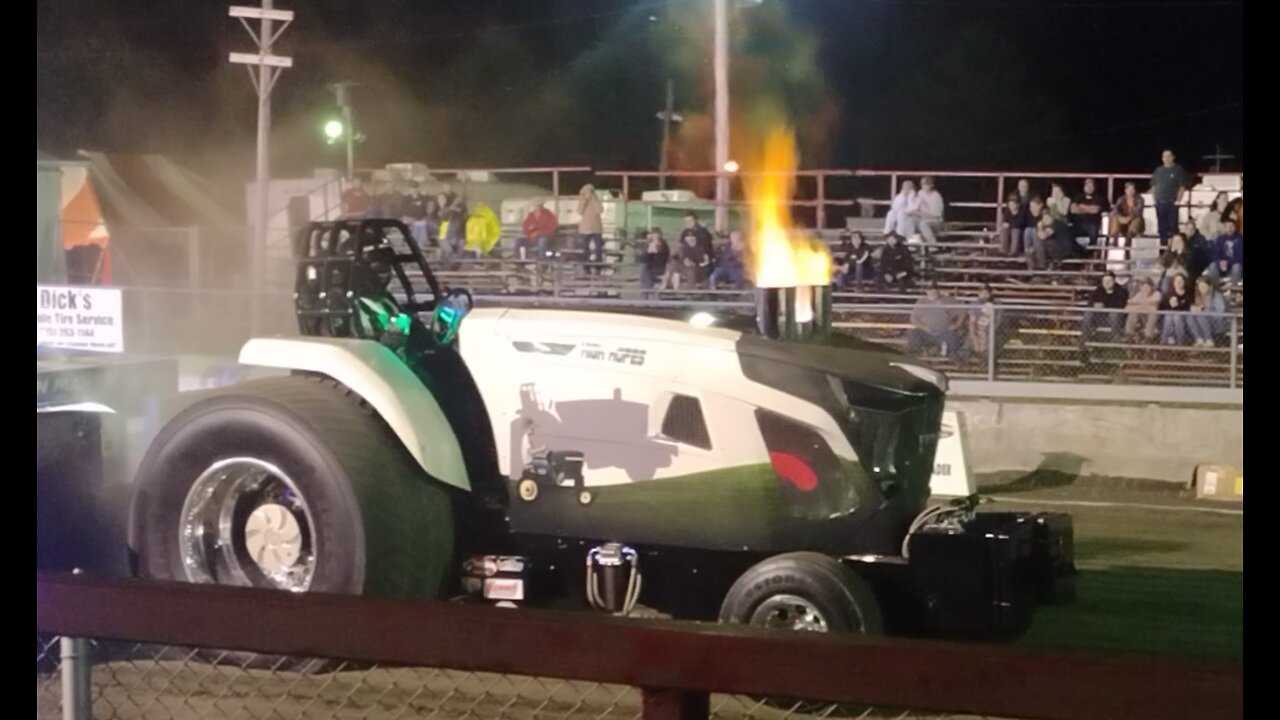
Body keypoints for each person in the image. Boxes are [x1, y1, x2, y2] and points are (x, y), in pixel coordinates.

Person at [907, 283, 967, 359]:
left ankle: (952, 357)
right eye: (930, 290)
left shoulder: (948, 300)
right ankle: (914, 356)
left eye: (934, 290)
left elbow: (962, 312)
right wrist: (924, 327)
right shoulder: (921, 302)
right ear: (927, 292)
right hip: (926, 332)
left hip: (944, 332)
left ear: (938, 291)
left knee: (953, 338)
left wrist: (957, 325)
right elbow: (913, 319)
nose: (932, 292)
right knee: (913, 334)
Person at [1150, 149, 1189, 241]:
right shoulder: (1158, 170)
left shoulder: (1178, 170)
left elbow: (1182, 187)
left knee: (1173, 228)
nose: (1166, 158)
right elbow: (1153, 186)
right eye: (1164, 156)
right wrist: (1155, 200)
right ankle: (1162, 250)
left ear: (1173, 157)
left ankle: (1173, 249)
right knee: (1161, 228)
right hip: (1160, 203)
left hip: (1172, 202)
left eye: (1168, 156)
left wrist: (1178, 201)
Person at [1081, 271, 1128, 345]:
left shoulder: (1121, 291)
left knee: (1114, 314)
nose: (1107, 283)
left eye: (1109, 281)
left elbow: (1121, 305)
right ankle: (1084, 339)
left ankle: (1114, 338)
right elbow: (1090, 302)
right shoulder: (1098, 291)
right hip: (1100, 317)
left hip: (1115, 318)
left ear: (1114, 281)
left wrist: (1104, 305)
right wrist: (1094, 305)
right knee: (1088, 314)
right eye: (1105, 281)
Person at [1187, 275, 1228, 347]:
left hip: (1219, 322)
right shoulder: (1197, 296)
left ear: (1209, 287)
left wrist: (1204, 310)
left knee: (1201, 315)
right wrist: (1194, 308)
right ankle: (1199, 339)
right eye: (1200, 287)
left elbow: (1221, 313)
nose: (1201, 289)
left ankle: (1209, 340)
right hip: (1203, 322)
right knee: (1190, 316)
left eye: (1204, 287)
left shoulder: (1216, 296)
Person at [576, 184, 605, 273]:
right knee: (585, 248)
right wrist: (584, 200)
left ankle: (598, 265)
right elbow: (579, 211)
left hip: (596, 228)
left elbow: (600, 210)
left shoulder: (596, 200)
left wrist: (593, 199)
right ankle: (586, 265)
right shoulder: (582, 200)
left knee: (598, 248)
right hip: (585, 229)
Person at [1123, 276, 1161, 343]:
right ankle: (1129, 336)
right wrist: (1147, 305)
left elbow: (1154, 308)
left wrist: (1137, 305)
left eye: (1148, 287)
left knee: (1152, 315)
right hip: (1141, 318)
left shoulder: (1156, 294)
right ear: (1140, 288)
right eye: (1143, 287)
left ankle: (1148, 338)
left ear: (1152, 288)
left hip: (1155, 319)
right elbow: (1127, 308)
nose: (1145, 289)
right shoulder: (1139, 295)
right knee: (1133, 313)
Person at [636, 228, 670, 299]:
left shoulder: (663, 244)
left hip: (659, 265)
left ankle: (646, 292)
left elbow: (659, 255)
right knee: (644, 268)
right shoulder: (649, 243)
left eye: (655, 234)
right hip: (650, 265)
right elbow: (645, 255)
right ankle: (646, 291)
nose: (653, 236)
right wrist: (648, 245)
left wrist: (653, 247)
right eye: (652, 234)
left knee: (645, 270)